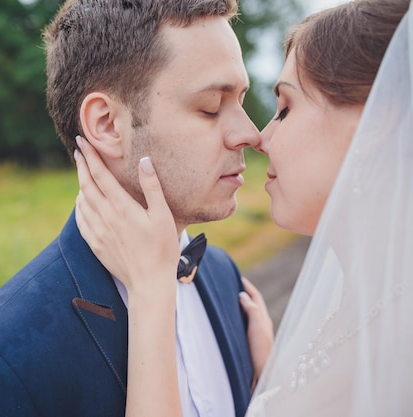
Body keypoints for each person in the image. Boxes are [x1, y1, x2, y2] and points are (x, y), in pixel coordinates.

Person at [0, 1, 264, 416]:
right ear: (106, 124)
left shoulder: (226, 279)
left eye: (241, 100)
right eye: (211, 106)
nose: (249, 133)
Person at [73, 0, 412, 416]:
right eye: (212, 107)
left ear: (376, 123)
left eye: (285, 109)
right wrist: (279, 386)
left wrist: (150, 292)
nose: (257, 136)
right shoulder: (356, 315)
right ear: (105, 123)